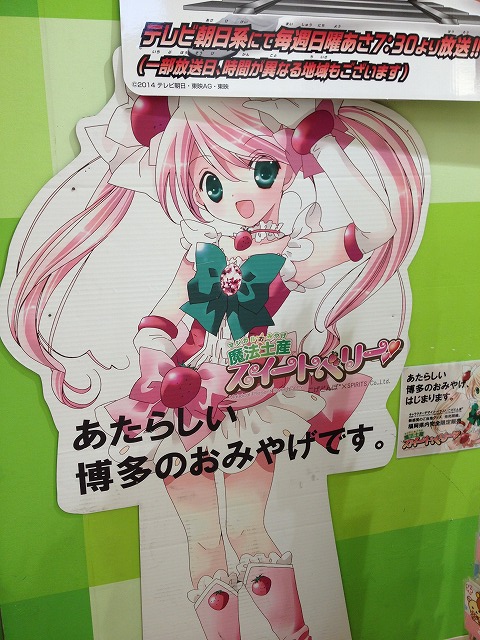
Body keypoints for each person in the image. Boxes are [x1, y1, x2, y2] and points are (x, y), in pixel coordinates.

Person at [7, 87, 427, 639]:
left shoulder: (290, 255)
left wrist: (323, 147)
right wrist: (154, 360)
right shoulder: (200, 255)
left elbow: (376, 230)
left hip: (248, 402)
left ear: (287, 170)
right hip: (181, 401)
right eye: (213, 183)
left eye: (262, 172)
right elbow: (161, 318)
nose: (242, 199)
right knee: (207, 541)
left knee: (244, 534)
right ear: (191, 186)